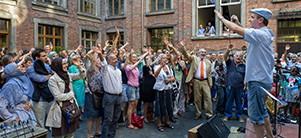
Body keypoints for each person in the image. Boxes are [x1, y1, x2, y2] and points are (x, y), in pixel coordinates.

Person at [215, 8, 274, 138]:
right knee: (263, 112)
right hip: (263, 81)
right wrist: (238, 23)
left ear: (260, 20)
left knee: (256, 116)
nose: (249, 19)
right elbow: (247, 33)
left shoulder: (260, 35)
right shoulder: (263, 34)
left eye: (252, 17)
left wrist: (221, 18)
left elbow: (236, 30)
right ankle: (270, 137)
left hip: (258, 82)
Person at [46, 58, 83, 138]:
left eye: (66, 63)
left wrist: (79, 67)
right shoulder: (53, 79)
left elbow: (81, 75)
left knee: (70, 134)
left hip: (71, 108)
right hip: (60, 109)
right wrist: (71, 94)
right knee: (60, 134)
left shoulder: (68, 75)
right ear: (58, 66)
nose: (66, 65)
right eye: (63, 64)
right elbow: (58, 96)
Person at [93, 46, 122, 138]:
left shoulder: (118, 71)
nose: (115, 60)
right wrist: (100, 54)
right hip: (109, 97)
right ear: (108, 61)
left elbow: (120, 83)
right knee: (108, 119)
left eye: (116, 58)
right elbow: (103, 63)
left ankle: (111, 135)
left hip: (118, 97)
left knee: (115, 118)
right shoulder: (106, 70)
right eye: (113, 59)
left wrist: (121, 94)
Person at [181, 41, 213, 120]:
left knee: (208, 98)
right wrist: (183, 47)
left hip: (205, 81)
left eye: (204, 52)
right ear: (198, 53)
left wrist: (210, 83)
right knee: (197, 99)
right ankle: (198, 114)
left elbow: (209, 74)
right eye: (201, 52)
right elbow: (186, 55)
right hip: (196, 81)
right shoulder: (194, 59)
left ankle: (209, 114)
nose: (203, 53)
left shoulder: (208, 62)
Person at [26, 48, 54, 128]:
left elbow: (53, 76)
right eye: (44, 56)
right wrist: (49, 76)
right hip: (38, 100)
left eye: (46, 55)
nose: (46, 57)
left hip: (49, 97)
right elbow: (40, 79)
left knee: (51, 122)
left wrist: (50, 65)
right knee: (40, 124)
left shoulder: (46, 66)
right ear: (37, 58)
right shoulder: (30, 68)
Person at [125, 51, 148, 129]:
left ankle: (134, 120)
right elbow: (131, 69)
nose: (135, 58)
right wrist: (138, 61)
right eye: (133, 57)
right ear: (130, 58)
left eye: (135, 57)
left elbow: (141, 58)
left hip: (137, 87)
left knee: (135, 105)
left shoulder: (136, 66)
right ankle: (129, 123)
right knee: (131, 105)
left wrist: (147, 53)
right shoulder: (128, 66)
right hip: (131, 87)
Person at [153, 54, 175, 132]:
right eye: (163, 58)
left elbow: (173, 77)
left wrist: (169, 80)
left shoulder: (169, 67)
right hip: (160, 89)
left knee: (168, 104)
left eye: (165, 58)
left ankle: (166, 121)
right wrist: (161, 66)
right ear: (159, 60)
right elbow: (155, 74)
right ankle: (159, 123)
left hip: (168, 88)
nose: (164, 59)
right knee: (159, 105)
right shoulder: (156, 67)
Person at [223, 48, 245, 123]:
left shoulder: (244, 66)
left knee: (239, 102)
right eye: (236, 56)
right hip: (230, 86)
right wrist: (228, 50)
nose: (238, 57)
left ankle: (239, 116)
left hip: (239, 87)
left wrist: (245, 85)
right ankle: (227, 115)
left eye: (240, 56)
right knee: (229, 101)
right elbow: (225, 57)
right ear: (234, 57)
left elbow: (245, 77)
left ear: (242, 58)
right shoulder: (230, 63)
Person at [85, 51, 103, 138]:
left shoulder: (100, 70)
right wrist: (96, 52)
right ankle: (89, 133)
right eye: (98, 61)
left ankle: (96, 131)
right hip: (91, 95)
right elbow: (92, 61)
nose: (99, 62)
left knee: (99, 114)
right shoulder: (91, 69)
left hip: (99, 94)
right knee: (91, 115)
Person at [141, 54, 156, 123]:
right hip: (146, 87)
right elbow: (147, 66)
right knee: (146, 102)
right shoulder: (145, 67)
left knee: (152, 102)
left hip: (152, 86)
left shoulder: (152, 67)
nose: (148, 60)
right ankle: (145, 117)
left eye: (149, 59)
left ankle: (151, 116)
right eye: (147, 59)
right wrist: (148, 54)